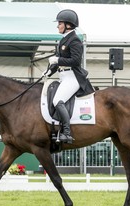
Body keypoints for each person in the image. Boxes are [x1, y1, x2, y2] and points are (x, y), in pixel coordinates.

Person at [43, 9, 93, 143]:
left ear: (68, 25)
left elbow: (76, 61)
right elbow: (59, 60)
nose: (58, 26)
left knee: (57, 101)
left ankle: (66, 132)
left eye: (60, 23)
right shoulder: (63, 41)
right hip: (63, 76)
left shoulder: (75, 40)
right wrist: (49, 71)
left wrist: (57, 60)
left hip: (73, 77)